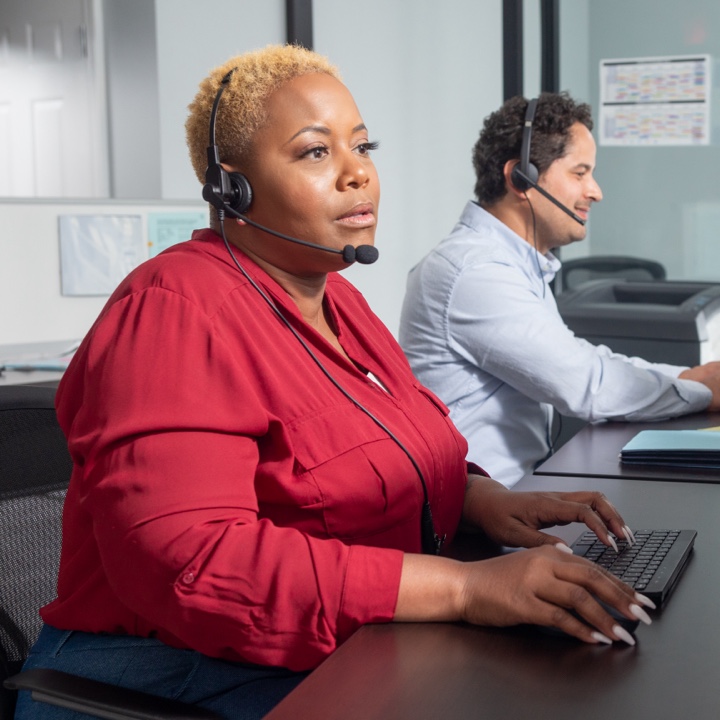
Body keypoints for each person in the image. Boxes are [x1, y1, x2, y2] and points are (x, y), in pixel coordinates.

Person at [16, 53, 654, 720]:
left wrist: (483, 500)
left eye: (362, 145)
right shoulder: (176, 307)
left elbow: (396, 449)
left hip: (334, 647)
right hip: (159, 676)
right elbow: (198, 564)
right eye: (315, 152)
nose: (358, 173)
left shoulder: (339, 305)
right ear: (232, 188)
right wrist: (464, 590)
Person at [399, 92, 720, 489]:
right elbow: (588, 385)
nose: (595, 191)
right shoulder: (474, 271)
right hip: (480, 523)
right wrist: (701, 388)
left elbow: (584, 360)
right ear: (522, 178)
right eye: (579, 173)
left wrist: (692, 376)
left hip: (515, 497)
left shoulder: (514, 261)